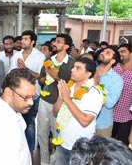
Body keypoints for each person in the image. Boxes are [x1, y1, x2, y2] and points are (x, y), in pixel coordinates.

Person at [53, 57, 103, 165]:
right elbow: (55, 112)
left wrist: (66, 98)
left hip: (81, 148)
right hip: (62, 143)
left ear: (88, 74)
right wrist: (61, 97)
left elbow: (85, 121)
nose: (72, 70)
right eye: (73, 67)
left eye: (78, 68)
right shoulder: (68, 87)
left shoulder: (94, 93)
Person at [0, 68, 36, 165]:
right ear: (8, 93)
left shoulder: (12, 111)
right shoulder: (2, 126)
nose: (31, 102)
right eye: (26, 97)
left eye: (33, 97)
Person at [38, 33, 75, 165]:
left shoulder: (72, 63)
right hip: (44, 101)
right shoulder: (49, 60)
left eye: (59, 42)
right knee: (42, 134)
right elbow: (40, 79)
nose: (55, 44)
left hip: (60, 104)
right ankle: (44, 161)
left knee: (57, 135)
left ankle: (55, 160)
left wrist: (56, 77)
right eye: (55, 41)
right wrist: (45, 78)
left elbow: (72, 86)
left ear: (66, 46)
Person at [9, 30, 45, 159]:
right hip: (17, 95)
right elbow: (11, 74)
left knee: (29, 124)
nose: (22, 41)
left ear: (33, 42)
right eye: (22, 39)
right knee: (16, 122)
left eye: (25, 39)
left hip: (32, 96)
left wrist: (25, 68)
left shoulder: (40, 57)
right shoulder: (16, 55)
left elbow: (41, 77)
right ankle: (17, 149)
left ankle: (29, 153)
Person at [94, 46, 123, 137]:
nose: (102, 53)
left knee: (100, 151)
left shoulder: (117, 80)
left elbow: (110, 103)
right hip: (82, 121)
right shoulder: (90, 70)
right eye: (103, 51)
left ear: (112, 61)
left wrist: (97, 85)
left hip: (101, 125)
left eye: (107, 53)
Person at [112, 44, 132, 145]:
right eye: (119, 52)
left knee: (122, 147)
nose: (120, 54)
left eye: (123, 51)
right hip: (109, 116)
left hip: (126, 118)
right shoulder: (114, 67)